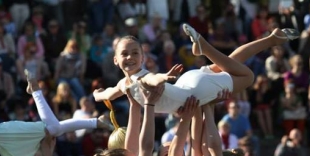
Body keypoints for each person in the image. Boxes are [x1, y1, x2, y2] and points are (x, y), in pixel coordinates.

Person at [93, 24, 299, 114]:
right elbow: (109, 94)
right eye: (125, 54)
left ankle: (205, 48)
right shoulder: (123, 84)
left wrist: (165, 77)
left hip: (193, 92)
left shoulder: (140, 79)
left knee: (247, 76)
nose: (130, 57)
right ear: (115, 60)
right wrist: (98, 94)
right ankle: (273, 39)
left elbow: (152, 79)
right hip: (187, 83)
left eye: (135, 53)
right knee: (228, 62)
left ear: (143, 57)